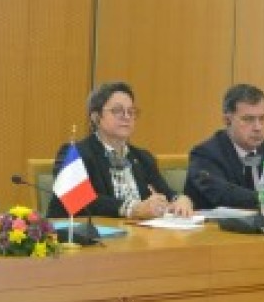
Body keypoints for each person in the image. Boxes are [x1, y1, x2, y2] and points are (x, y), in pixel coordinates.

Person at [47, 82, 194, 219]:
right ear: (96, 117)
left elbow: (166, 193)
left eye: (131, 111)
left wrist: (180, 199)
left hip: (139, 233)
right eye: (117, 111)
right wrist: (133, 209)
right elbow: (78, 199)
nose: (127, 116)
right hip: (91, 234)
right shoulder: (75, 153)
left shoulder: (143, 158)